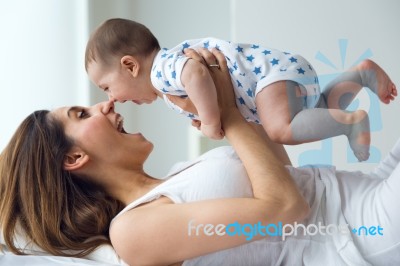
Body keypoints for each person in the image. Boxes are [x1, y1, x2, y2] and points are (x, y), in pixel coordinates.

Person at [0, 48, 398, 266]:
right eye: (81, 115)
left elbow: (284, 177)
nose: (103, 105)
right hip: (362, 234)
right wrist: (226, 113)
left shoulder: (177, 175)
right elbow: (286, 209)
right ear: (72, 158)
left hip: (364, 188)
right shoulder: (132, 232)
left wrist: (238, 101)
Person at [84, 18, 397, 162]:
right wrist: (206, 112)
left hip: (268, 78)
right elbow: (203, 86)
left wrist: (209, 120)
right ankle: (361, 76)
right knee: (316, 111)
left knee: (280, 129)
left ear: (129, 65)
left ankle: (352, 122)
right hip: (278, 75)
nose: (112, 98)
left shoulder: (161, 71)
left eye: (107, 87)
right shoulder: (166, 70)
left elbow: (195, 73)